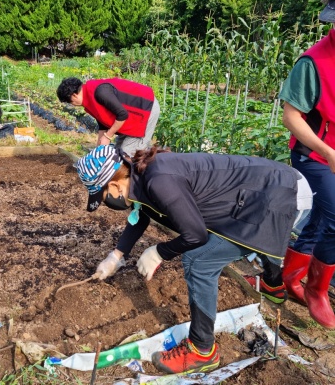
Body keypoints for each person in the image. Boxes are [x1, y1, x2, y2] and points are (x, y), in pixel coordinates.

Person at [76, 145, 312, 374]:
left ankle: (202, 351)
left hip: (278, 196)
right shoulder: (140, 177)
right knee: (224, 243)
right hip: (267, 187)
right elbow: (142, 213)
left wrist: (159, 252)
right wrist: (116, 255)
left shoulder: (159, 181)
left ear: (116, 184)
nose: (107, 202)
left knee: (199, 261)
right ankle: (272, 284)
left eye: (103, 195)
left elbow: (195, 235)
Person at [279, 0, 335, 329]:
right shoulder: (313, 62)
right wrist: (328, 151)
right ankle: (317, 289)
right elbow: (291, 116)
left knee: (322, 218)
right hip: (314, 153)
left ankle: (291, 275)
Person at [56, 77, 159, 156]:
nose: (72, 104)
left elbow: (122, 114)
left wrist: (108, 136)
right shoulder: (89, 99)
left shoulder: (100, 92)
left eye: (70, 102)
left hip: (145, 109)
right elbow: (103, 125)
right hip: (130, 117)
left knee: (128, 154)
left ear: (74, 95)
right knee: (117, 152)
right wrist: (98, 151)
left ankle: (135, 181)